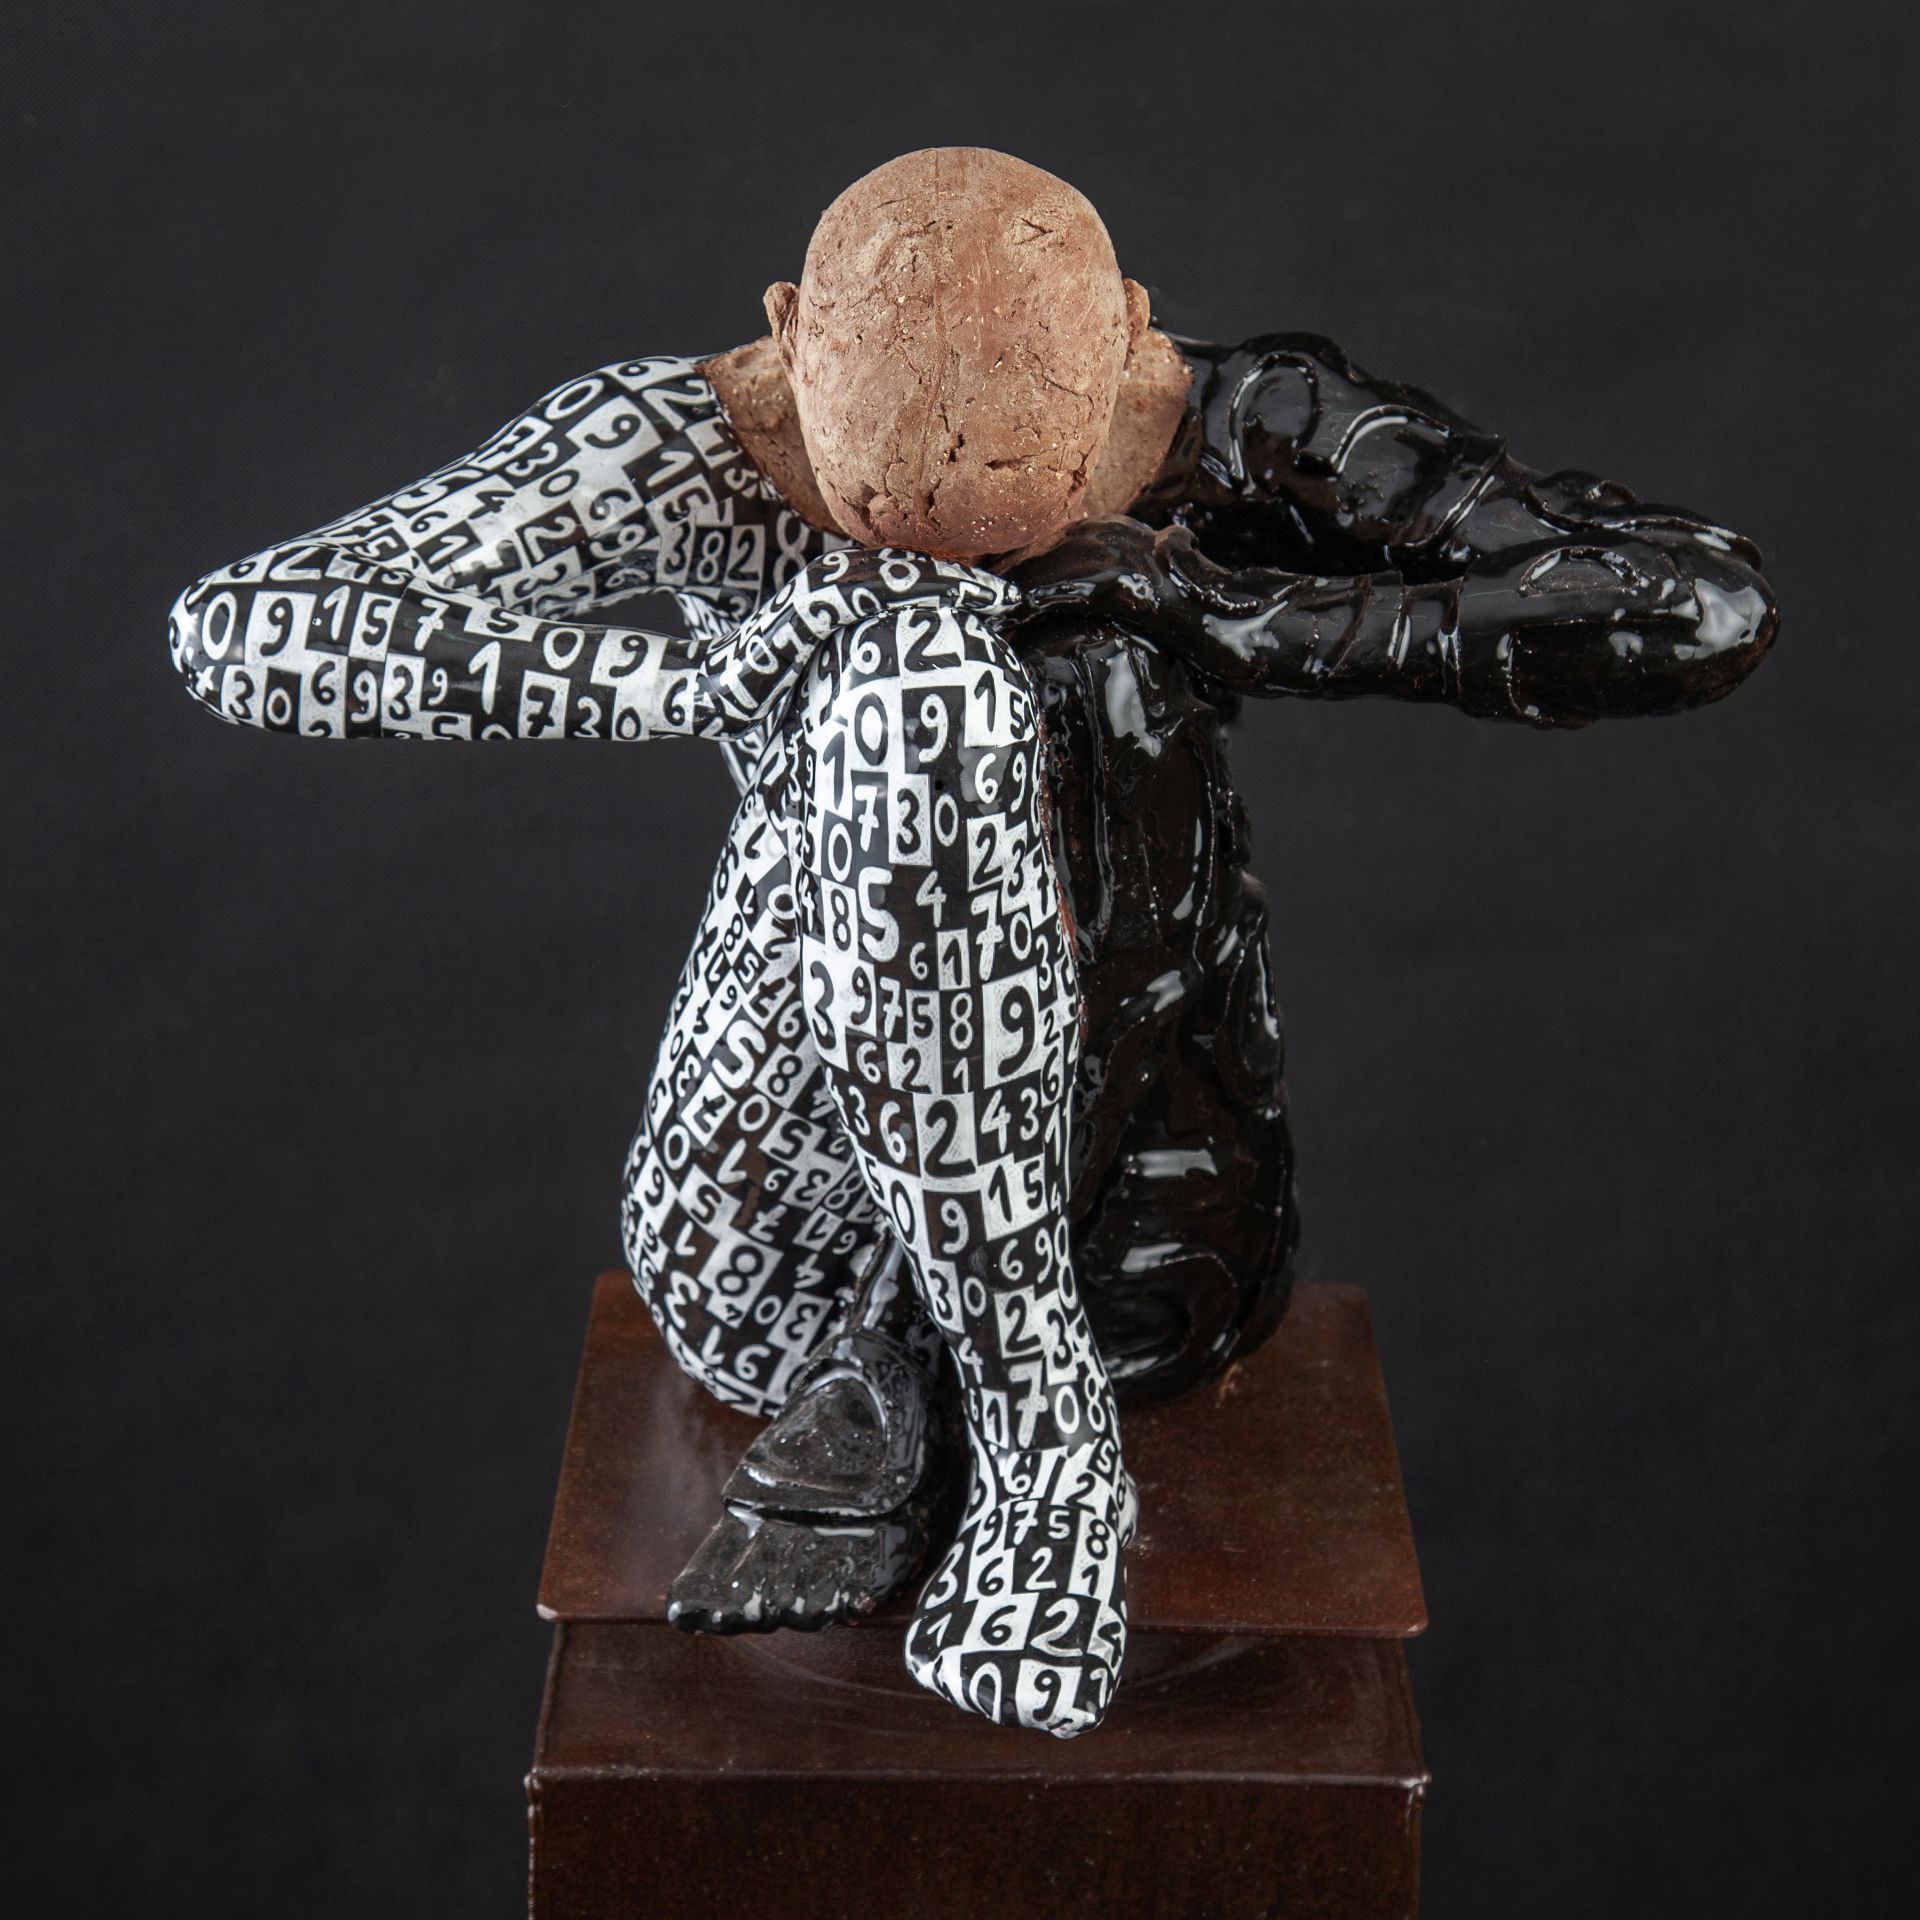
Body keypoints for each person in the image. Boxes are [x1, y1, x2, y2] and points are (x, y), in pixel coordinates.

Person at [169, 148, 1776, 1735]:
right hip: (789, 1246)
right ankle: (1035, 1436)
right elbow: (243, 625)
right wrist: (695, 682)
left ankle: (995, 1402)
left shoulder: (1237, 425)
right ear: (791, 339)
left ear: (1129, 343)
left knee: (924, 665)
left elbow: (1690, 602)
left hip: (1146, 1229)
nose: (953, 529)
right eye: (877, 492)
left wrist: (1231, 615)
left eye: (1027, 487)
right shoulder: (686, 442)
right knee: (915, 679)